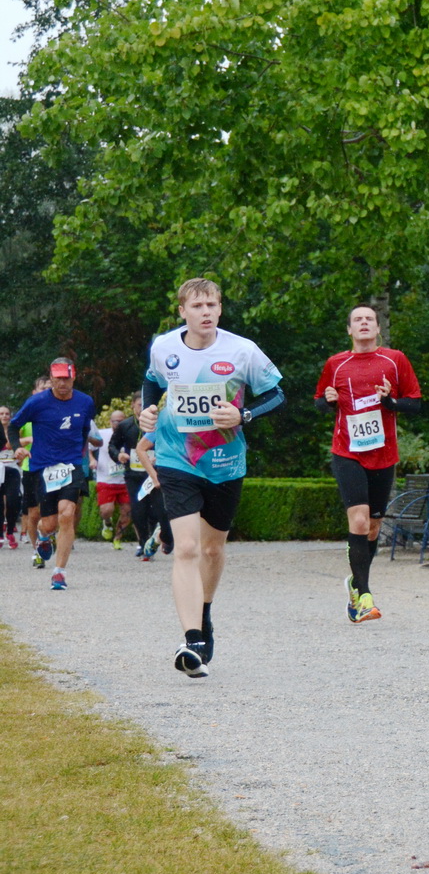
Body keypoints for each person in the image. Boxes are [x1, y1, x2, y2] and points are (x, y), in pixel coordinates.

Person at [138, 278, 284, 678]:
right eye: (197, 305)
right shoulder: (164, 347)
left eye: (212, 305)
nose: (206, 312)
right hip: (176, 457)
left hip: (224, 463)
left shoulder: (242, 351)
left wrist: (244, 415)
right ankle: (192, 639)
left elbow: (277, 394)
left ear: (220, 309)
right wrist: (148, 411)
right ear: (182, 310)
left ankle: (204, 612)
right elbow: (151, 381)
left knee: (212, 550)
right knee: (185, 548)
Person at [314, 305, 423, 622]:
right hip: (347, 451)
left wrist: (390, 401)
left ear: (377, 328)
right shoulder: (336, 363)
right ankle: (363, 596)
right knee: (359, 521)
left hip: (383, 454)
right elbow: (320, 402)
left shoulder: (395, 360)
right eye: (357, 320)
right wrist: (329, 401)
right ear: (349, 330)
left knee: (374, 527)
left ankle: (355, 582)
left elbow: (414, 403)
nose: (363, 323)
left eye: (369, 319)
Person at [13, 360, 100, 591]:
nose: (62, 383)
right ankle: (43, 535)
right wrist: (17, 448)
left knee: (67, 514)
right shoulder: (37, 402)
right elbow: (13, 425)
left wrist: (77, 453)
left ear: (74, 377)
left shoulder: (85, 402)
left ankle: (59, 572)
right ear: (51, 378)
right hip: (44, 467)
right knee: (49, 523)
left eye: (67, 378)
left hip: (71, 465)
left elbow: (84, 429)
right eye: (58, 378)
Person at [109, 394, 161, 559]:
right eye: (139, 404)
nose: (142, 408)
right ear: (132, 406)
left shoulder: (158, 425)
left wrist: (159, 457)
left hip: (154, 474)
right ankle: (143, 542)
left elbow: (169, 444)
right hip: (133, 475)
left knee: (155, 511)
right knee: (138, 510)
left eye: (145, 405)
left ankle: (152, 540)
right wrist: (119, 456)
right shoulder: (125, 425)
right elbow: (112, 445)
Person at [17, 377, 48, 563]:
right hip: (31, 468)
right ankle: (37, 550)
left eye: (48, 388)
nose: (46, 391)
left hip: (53, 467)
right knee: (34, 512)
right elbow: (9, 440)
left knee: (57, 510)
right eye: (42, 388)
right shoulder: (27, 415)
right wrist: (24, 443)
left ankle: (48, 536)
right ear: (34, 392)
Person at [93, 408, 132, 550]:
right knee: (106, 510)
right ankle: (107, 523)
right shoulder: (103, 434)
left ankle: (117, 538)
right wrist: (92, 460)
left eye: (120, 421)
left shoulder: (130, 433)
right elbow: (89, 447)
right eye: (115, 421)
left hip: (124, 479)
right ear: (110, 422)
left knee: (127, 511)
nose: (117, 424)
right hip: (106, 479)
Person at [0, 405, 22, 547]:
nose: (4, 416)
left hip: (13, 469)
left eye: (7, 413)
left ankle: (10, 530)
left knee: (14, 501)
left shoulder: (16, 432)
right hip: (0, 469)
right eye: (1, 413)